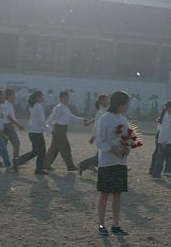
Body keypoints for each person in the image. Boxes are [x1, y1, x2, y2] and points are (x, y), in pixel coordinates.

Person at [96, 91, 131, 236]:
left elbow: (128, 137)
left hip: (121, 162)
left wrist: (128, 147)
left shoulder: (123, 119)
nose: (128, 106)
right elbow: (100, 140)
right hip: (107, 162)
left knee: (117, 194)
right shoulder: (105, 118)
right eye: (126, 103)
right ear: (120, 104)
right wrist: (113, 151)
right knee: (105, 194)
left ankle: (116, 225)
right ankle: (101, 224)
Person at [45, 91, 91, 171]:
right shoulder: (59, 108)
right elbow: (50, 119)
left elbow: (71, 117)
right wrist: (49, 129)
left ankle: (45, 164)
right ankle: (70, 166)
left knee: (54, 148)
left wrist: (82, 119)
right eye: (64, 98)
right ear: (60, 98)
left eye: (67, 98)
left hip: (62, 129)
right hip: (59, 130)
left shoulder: (65, 108)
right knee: (66, 148)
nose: (66, 99)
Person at [13, 90, 50, 174]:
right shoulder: (38, 107)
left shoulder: (35, 106)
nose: (43, 98)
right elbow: (41, 122)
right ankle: (37, 169)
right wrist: (50, 130)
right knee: (40, 152)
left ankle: (18, 161)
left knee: (37, 151)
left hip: (34, 132)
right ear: (38, 98)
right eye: (42, 96)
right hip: (36, 133)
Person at [149, 101, 171, 179]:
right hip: (166, 142)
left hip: (165, 141)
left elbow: (170, 130)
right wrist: (164, 142)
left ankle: (156, 175)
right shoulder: (167, 117)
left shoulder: (168, 116)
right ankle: (170, 171)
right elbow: (164, 131)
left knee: (161, 158)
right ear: (169, 108)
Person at [79, 94, 109, 173]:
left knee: (101, 155)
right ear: (102, 102)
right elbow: (96, 125)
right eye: (107, 100)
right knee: (101, 156)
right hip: (102, 137)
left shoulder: (105, 111)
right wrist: (93, 136)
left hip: (105, 136)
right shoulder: (101, 112)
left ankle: (85, 165)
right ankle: (83, 164)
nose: (108, 101)